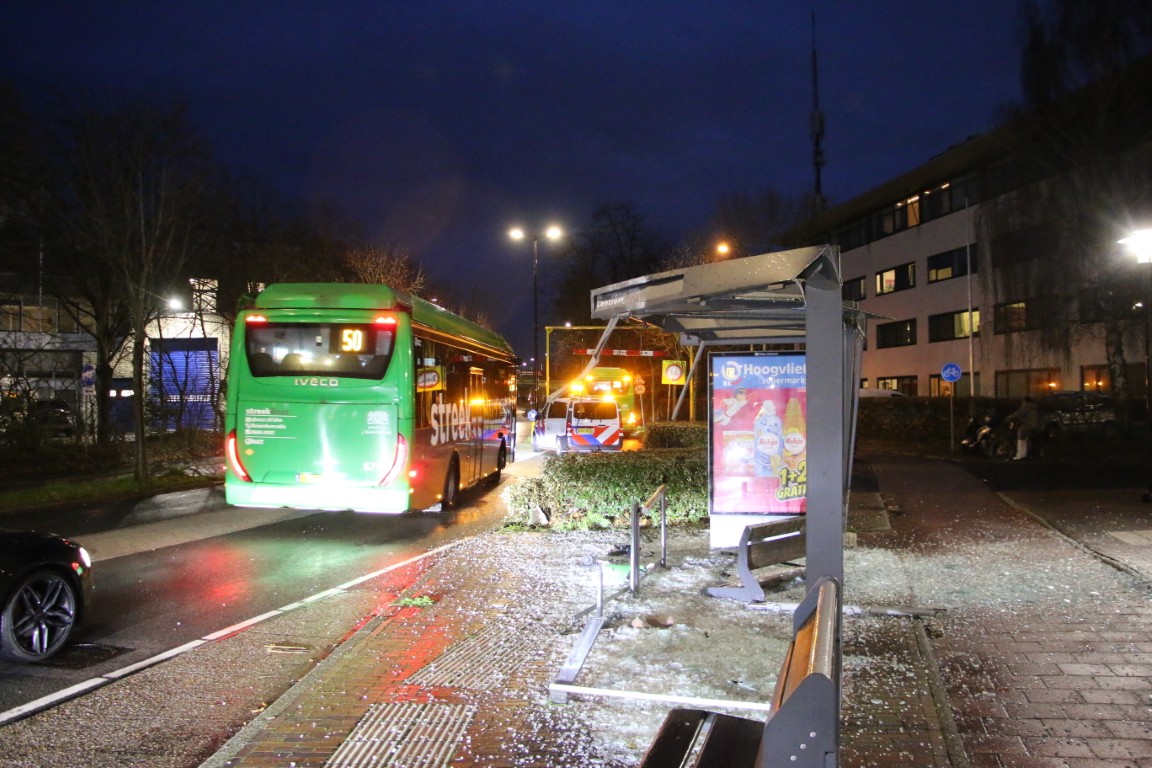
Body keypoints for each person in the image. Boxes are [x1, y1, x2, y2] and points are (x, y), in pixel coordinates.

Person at [1008, 396, 1039, 460]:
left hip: (1027, 425)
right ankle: (1024, 453)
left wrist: (1010, 416)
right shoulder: (1034, 407)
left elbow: (1020, 413)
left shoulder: (1026, 406)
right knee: (1024, 438)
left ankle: (1020, 454)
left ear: (1025, 401)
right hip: (1034, 425)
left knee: (1020, 436)